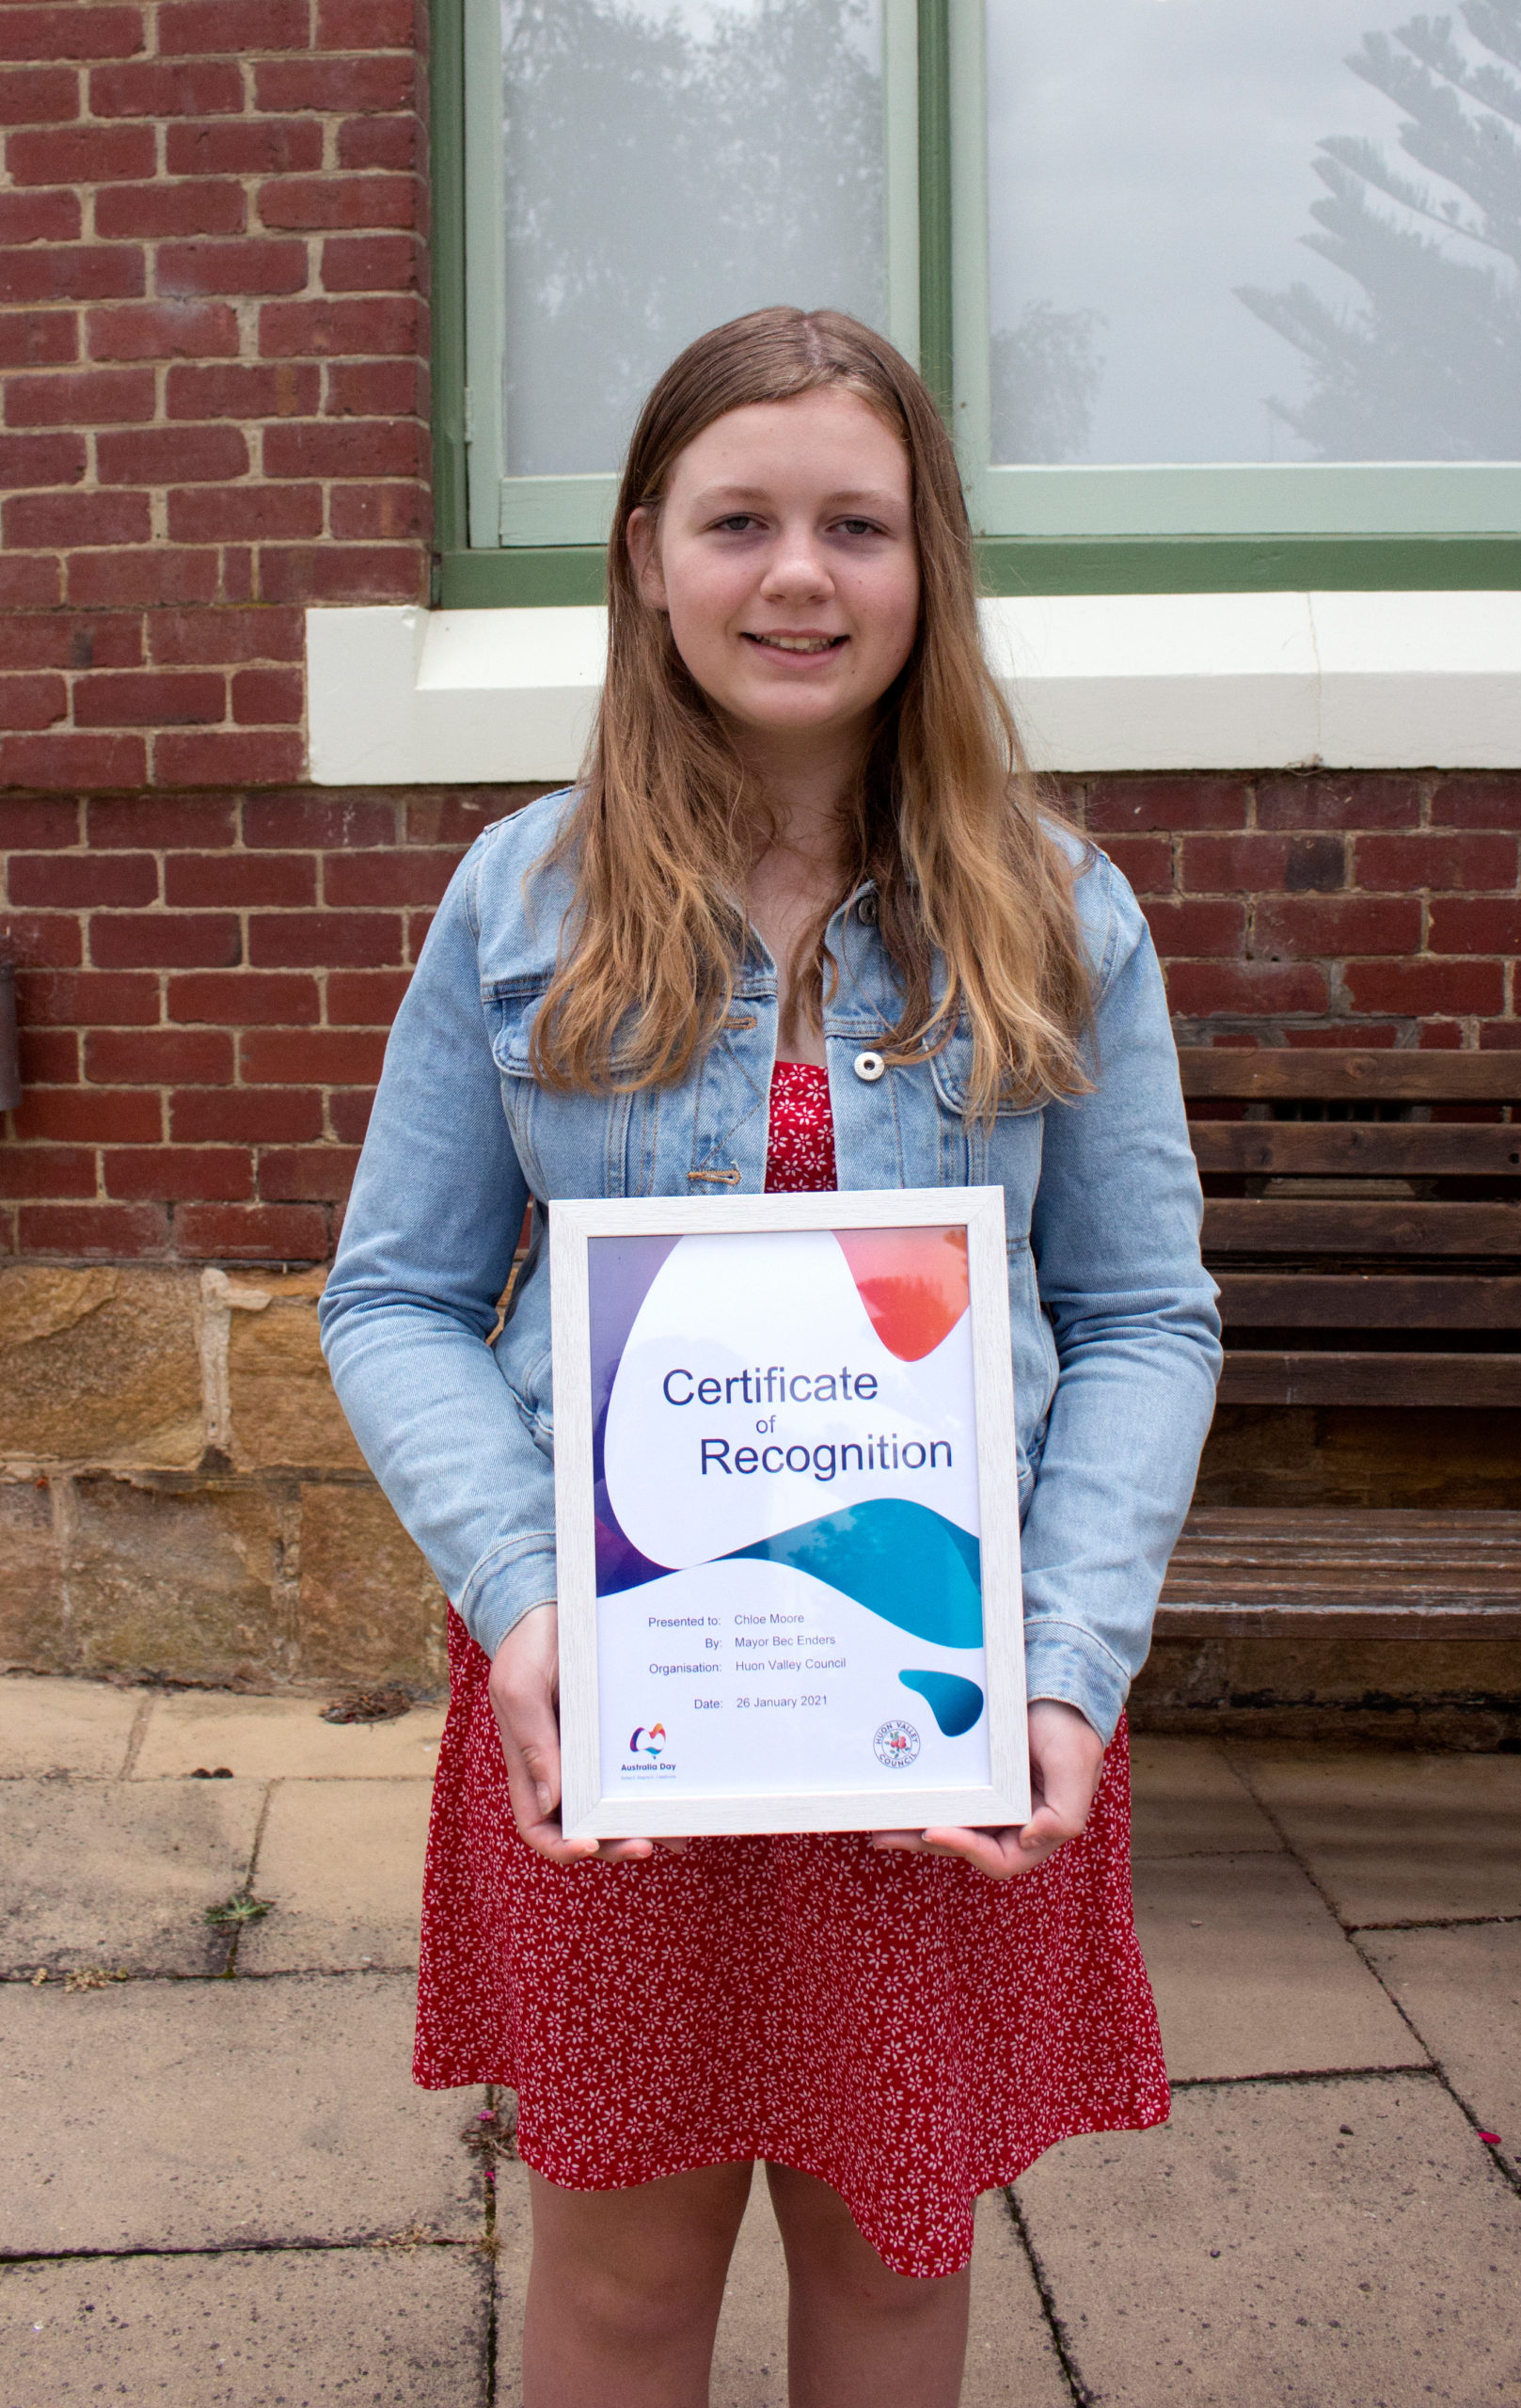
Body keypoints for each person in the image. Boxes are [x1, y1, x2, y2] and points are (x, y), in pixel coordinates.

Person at [320, 305, 1220, 2408]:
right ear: (645, 553)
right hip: (619, 1688)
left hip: (936, 1688)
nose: (797, 574)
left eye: (855, 524)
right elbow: (391, 1293)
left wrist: (1070, 1661)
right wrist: (528, 1600)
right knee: (622, 2281)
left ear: (931, 565)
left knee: (898, 2263)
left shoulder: (1059, 914)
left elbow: (1144, 1312)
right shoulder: (518, 899)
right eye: (739, 520)